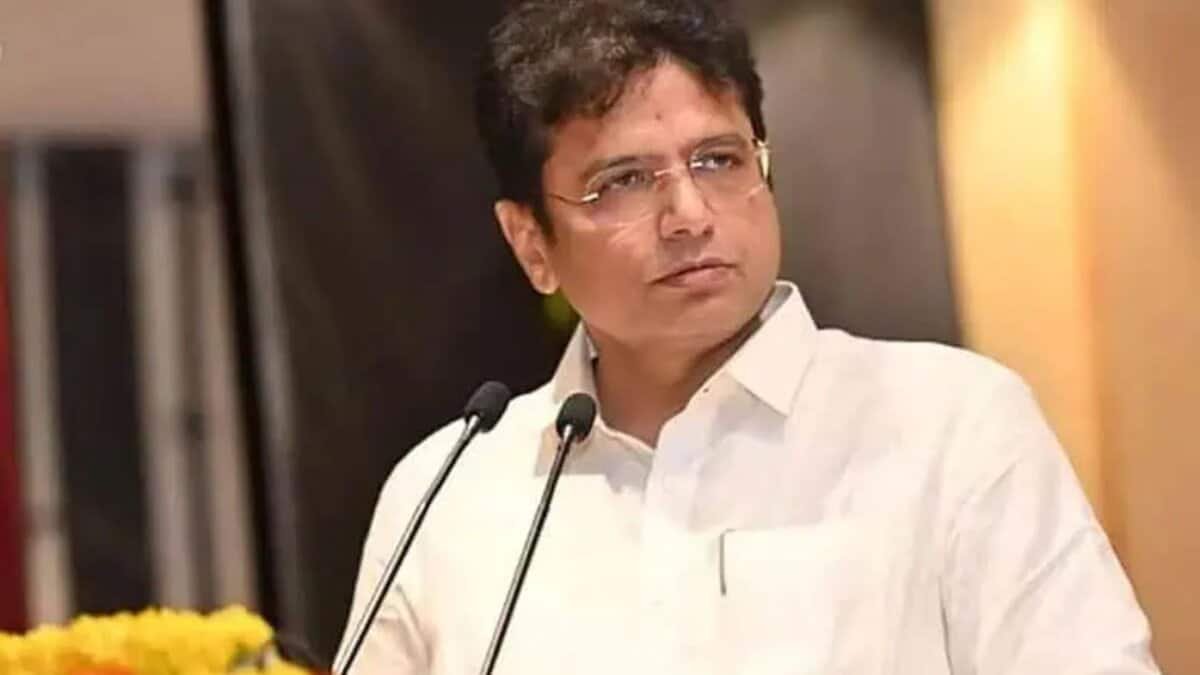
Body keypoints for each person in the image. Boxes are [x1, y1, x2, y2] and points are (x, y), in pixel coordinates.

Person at [339, 1, 1161, 672]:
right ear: (531, 244)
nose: (689, 215)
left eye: (719, 160)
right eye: (624, 180)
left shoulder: (951, 424)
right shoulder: (449, 491)